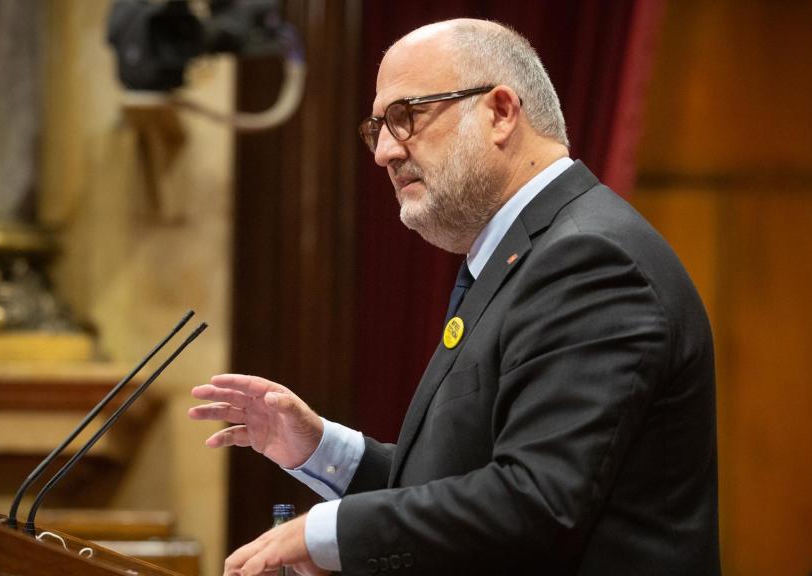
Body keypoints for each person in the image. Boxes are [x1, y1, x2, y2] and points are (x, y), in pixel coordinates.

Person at [189, 18, 720, 576]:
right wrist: (321, 448)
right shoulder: (525, 255)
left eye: (405, 117)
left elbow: (535, 504)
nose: (384, 153)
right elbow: (459, 487)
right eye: (378, 129)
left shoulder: (588, 260)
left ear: (500, 112)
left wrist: (323, 531)